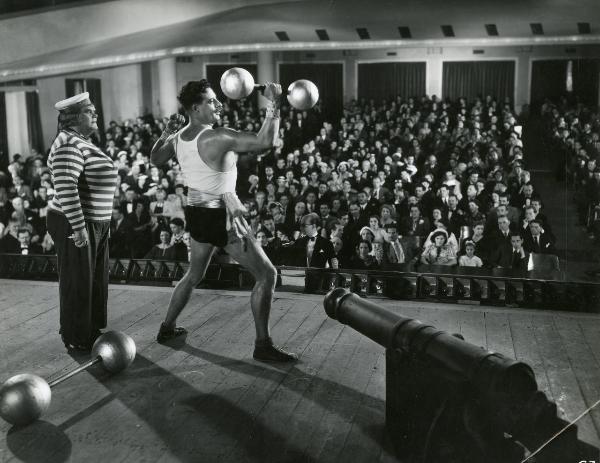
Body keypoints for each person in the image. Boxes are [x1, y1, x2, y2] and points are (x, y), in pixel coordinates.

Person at [150, 79, 297, 362]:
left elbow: (156, 158)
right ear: (195, 108)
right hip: (222, 215)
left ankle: (166, 328)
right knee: (267, 275)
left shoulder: (179, 136)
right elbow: (265, 142)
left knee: (194, 275)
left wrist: (167, 130)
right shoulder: (217, 137)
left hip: (196, 212)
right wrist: (274, 104)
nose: (219, 104)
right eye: (211, 100)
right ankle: (262, 345)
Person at [46, 92, 118, 351]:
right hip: (76, 222)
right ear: (74, 118)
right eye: (90, 112)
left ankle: (89, 328)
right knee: (79, 280)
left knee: (93, 279)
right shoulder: (68, 144)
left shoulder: (79, 140)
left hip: (93, 221)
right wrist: (78, 228)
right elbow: (66, 187)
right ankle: (77, 335)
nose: (95, 115)